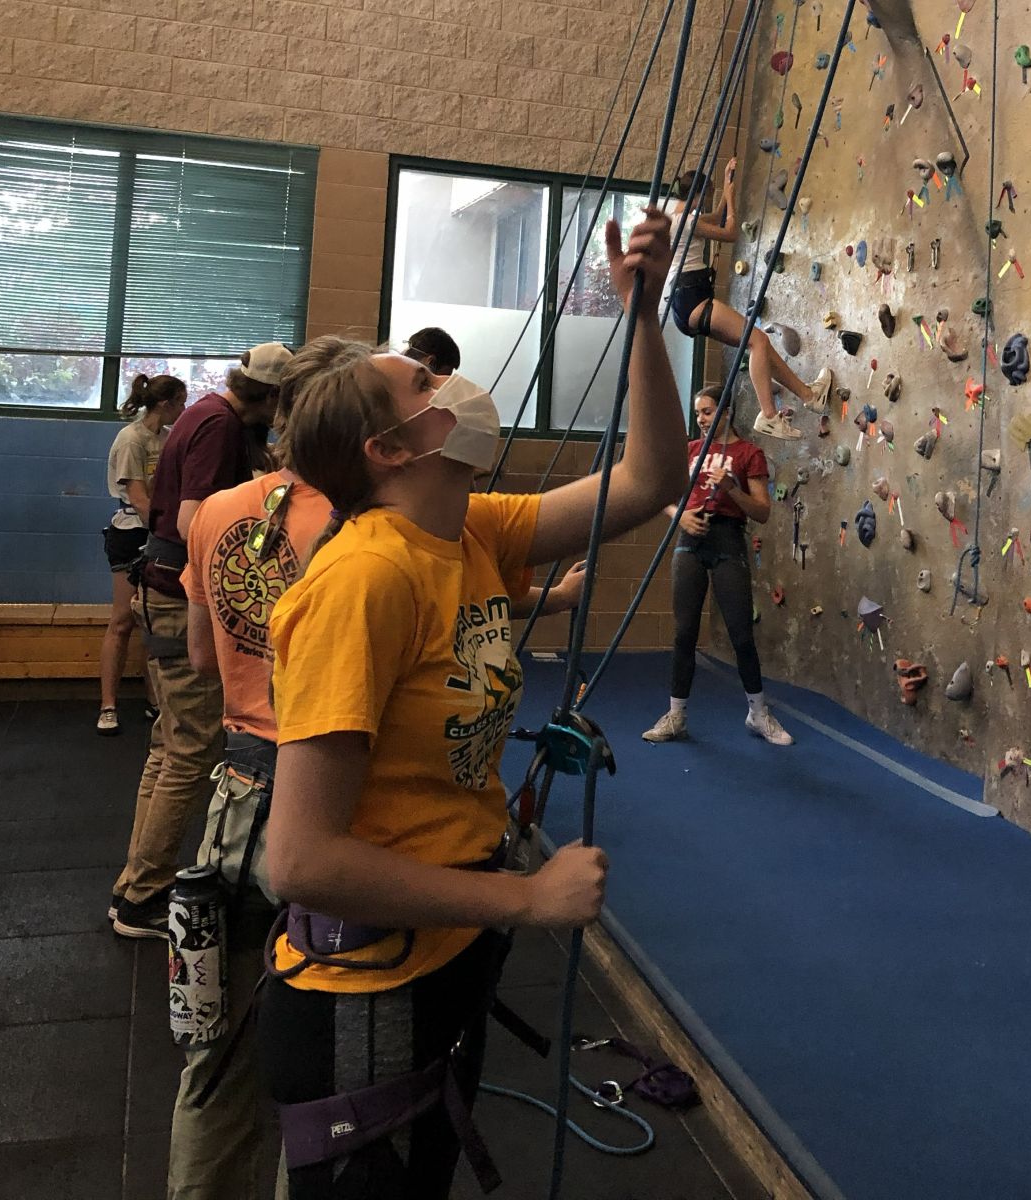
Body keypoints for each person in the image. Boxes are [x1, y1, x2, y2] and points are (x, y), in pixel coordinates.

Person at [257, 208, 687, 1199]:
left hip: (446, 950)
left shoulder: (474, 531)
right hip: (365, 988)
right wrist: (524, 898)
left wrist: (640, 313)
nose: (448, 379)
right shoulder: (365, 580)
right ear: (390, 450)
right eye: (421, 381)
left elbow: (652, 478)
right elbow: (300, 857)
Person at [169, 337, 347, 1200]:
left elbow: (204, 661)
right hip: (328, 799)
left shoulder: (214, 514)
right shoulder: (360, 528)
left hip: (235, 799)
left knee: (218, 1049)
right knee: (326, 1062)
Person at [111, 343, 292, 939]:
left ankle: (136, 884)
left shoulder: (209, 415)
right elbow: (196, 521)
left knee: (169, 747)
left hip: (157, 588)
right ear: (269, 397)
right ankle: (144, 895)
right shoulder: (217, 426)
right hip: (173, 589)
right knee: (190, 752)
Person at [641, 384, 793, 746]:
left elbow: (763, 512)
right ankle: (676, 715)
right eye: (697, 414)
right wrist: (680, 517)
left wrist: (731, 489)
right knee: (684, 633)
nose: (701, 420)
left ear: (726, 412)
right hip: (690, 539)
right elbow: (660, 495)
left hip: (727, 539)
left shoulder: (749, 454)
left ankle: (758, 714)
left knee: (741, 633)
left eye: (707, 412)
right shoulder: (690, 450)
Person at [405, 323, 587, 619]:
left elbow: (488, 598)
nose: (447, 389)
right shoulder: (380, 555)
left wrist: (562, 596)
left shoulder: (474, 518)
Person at [661, 158, 832, 441]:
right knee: (758, 341)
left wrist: (729, 188)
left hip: (685, 301)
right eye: (707, 197)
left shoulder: (674, 215)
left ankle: (809, 395)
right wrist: (728, 197)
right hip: (691, 297)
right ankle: (768, 415)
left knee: (759, 349)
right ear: (698, 196)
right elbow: (728, 232)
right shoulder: (685, 221)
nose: (706, 204)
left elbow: (714, 219)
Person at [97, 373, 185, 736]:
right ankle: (108, 706)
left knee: (154, 620)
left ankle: (156, 701)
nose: (184, 409)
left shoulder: (166, 439)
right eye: (181, 402)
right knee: (122, 620)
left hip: (158, 536)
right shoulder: (132, 440)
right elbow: (139, 498)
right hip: (133, 533)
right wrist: (172, 535)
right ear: (165, 404)